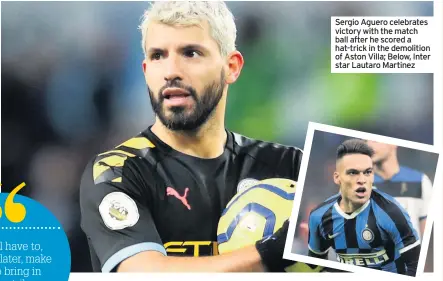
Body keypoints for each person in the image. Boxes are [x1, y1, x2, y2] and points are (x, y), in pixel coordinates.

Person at [79, 1, 301, 273]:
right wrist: (268, 251)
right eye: (158, 56)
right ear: (146, 72)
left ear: (231, 67)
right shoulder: (117, 171)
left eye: (191, 53)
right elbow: (143, 273)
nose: (171, 71)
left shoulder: (290, 166)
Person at [307, 139, 420, 276]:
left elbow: (415, 267)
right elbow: (314, 268)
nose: (362, 180)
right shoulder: (319, 216)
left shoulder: (391, 211)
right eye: (353, 173)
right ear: (337, 178)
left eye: (367, 172)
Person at [366, 140, 432, 239]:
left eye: (375, 141)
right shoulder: (358, 183)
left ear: (393, 143)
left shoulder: (420, 180)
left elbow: (427, 234)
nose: (369, 145)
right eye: (366, 141)